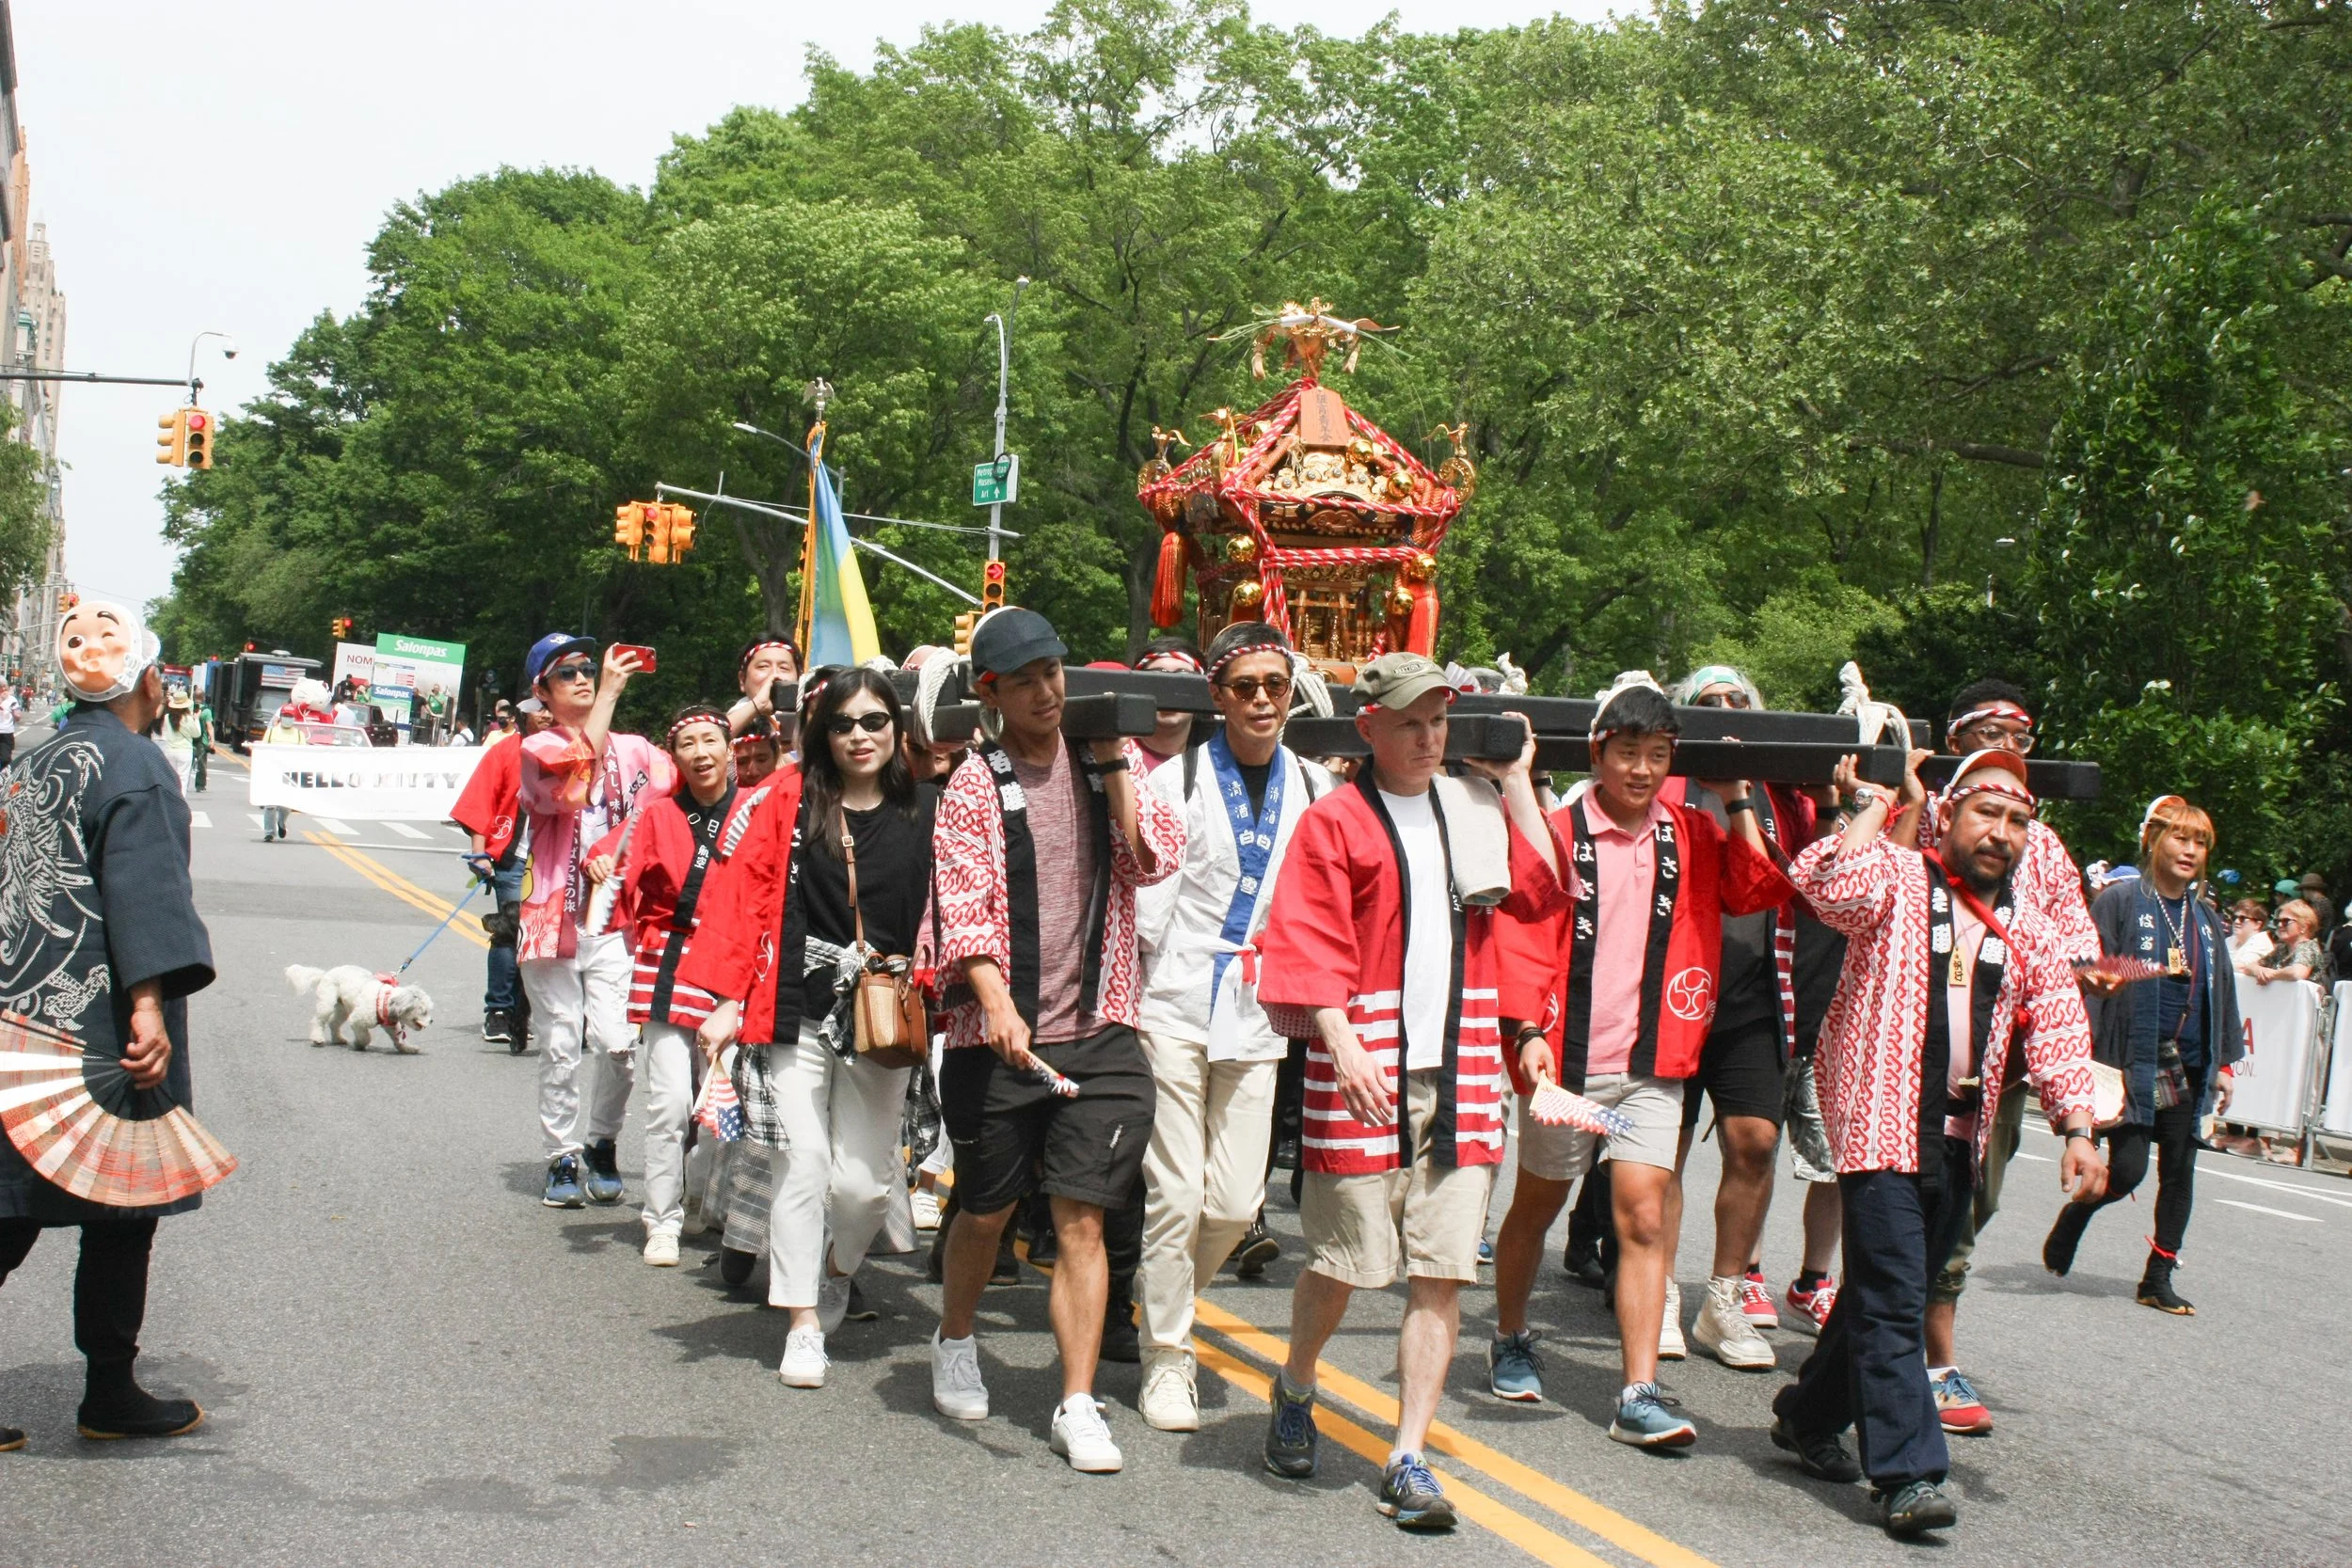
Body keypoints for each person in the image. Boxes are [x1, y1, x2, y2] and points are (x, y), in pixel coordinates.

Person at [1253, 650, 1565, 1531]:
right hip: (1365, 1056)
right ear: (1370, 727)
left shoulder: (1471, 806)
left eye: (1439, 722)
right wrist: (1339, 1038)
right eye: (1410, 721)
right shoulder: (1336, 821)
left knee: (1440, 1273)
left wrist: (1516, 783)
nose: (1429, 738)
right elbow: (1306, 935)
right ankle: (1297, 1384)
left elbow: (1541, 896)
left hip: (1462, 1061)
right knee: (1344, 1260)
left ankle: (1408, 1454)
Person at [1771, 748, 2106, 1540]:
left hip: (1957, 1134)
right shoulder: (1894, 876)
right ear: (1948, 817)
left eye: (2017, 820)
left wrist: (2080, 1129)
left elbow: (2059, 1031)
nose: (2001, 832)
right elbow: (1821, 884)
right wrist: (1875, 805)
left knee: (1884, 1298)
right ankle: (1909, 1473)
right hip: (1880, 1119)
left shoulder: (2030, 929)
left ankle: (1804, 1415)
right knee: (1893, 1301)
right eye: (1986, 813)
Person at [1485, 674, 1789, 1444]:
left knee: (1645, 1215)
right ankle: (1512, 1332)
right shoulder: (1556, 829)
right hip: (1567, 1061)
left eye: (1658, 754)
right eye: (1628, 752)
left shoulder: (1690, 832)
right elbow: (1518, 930)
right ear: (1598, 750)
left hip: (1654, 1061)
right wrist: (1525, 1034)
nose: (1643, 769)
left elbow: (1758, 890)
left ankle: (1638, 1390)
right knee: (1541, 1202)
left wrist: (1738, 797)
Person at [925, 608, 1184, 1473]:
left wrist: (1115, 770)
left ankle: (1078, 1400)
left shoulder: (1105, 761)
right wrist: (993, 996)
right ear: (991, 693)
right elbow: (961, 903)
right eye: (1026, 679)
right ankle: (955, 1334)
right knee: (989, 1209)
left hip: (1101, 1025)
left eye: (1054, 672)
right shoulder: (973, 781)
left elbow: (1152, 862)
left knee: (1082, 1219)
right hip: (997, 1031)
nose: (1047, 690)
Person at [0, 601, 216, 1447]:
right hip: (100, 1019)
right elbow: (144, 893)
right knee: (122, 1205)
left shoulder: (31, 757)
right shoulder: (135, 765)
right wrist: (150, 1006)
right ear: (150, 681)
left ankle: (111, 1390)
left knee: (11, 1199)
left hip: (19, 1007)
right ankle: (109, 1388)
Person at [686, 669, 934, 1389]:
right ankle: (800, 1321)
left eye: (874, 721)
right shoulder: (788, 802)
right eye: (844, 724)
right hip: (795, 1002)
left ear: (897, 728)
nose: (860, 735)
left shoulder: (926, 809)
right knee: (804, 1162)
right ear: (824, 735)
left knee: (863, 1187)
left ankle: (835, 1270)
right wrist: (730, 998)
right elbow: (743, 893)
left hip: (884, 1013)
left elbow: (948, 909)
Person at [1131, 622, 1332, 1432]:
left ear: (1290, 695)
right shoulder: (1172, 780)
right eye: (1244, 686)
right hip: (1174, 1000)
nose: (1260, 700)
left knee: (1234, 1201)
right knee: (1176, 1195)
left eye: (1274, 687)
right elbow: (1146, 910)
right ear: (1216, 695)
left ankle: (1157, 1295)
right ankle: (1168, 1356)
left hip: (1259, 1005)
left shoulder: (1317, 787)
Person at [1915, 678, 2102, 1439]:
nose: (2005, 748)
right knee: (1901, 1205)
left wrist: (2080, 1117)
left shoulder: (2043, 844)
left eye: (2019, 737)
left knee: (1968, 1203)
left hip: (1999, 1059)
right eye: (1987, 732)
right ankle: (1924, 1360)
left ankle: (1875, 1342)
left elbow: (2072, 950)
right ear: (1956, 743)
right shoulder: (1922, 817)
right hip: (1911, 1047)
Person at [1664, 666, 1818, 1369]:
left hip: (1755, 988)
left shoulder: (1784, 796)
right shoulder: (1663, 782)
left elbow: (1796, 877)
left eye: (1738, 703)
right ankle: (1656, 1287)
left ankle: (1723, 1296)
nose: (1725, 714)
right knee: (1657, 1154)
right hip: (1670, 987)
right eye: (1707, 704)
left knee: (1755, 1140)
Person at [2042, 796, 2242, 1313]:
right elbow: (2087, 968)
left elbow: (2222, 994)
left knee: (2180, 1169)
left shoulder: (2206, 919)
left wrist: (2222, 1062)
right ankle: (2078, 1215)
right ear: (2153, 839)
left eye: (2200, 842)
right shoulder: (2121, 900)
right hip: (2135, 1054)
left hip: (2189, 1056)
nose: (2190, 850)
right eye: (2180, 837)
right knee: (2128, 1170)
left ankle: (2158, 1275)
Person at [587, 705, 759, 1267]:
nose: (701, 753)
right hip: (668, 962)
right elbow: (611, 856)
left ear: (730, 749)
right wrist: (600, 865)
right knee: (669, 1103)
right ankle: (660, 1219)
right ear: (676, 757)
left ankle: (702, 1193)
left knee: (726, 1104)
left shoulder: (757, 810)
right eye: (689, 745)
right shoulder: (657, 814)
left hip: (736, 965)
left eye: (711, 741)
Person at [514, 634, 669, 1210]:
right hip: (552, 920)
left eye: (588, 669)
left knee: (618, 1044)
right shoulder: (537, 749)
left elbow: (703, 764)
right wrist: (607, 694)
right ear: (542, 693)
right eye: (567, 673)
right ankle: (561, 1155)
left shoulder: (636, 751)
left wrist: (753, 707)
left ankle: (602, 1142)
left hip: (614, 922)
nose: (582, 678)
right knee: (558, 1042)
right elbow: (572, 781)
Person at [452, 694, 535, 1048]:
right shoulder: (505, 753)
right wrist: (479, 854)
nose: (546, 718)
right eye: (539, 712)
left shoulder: (571, 751)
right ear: (523, 719)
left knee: (546, 943)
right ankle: (499, 1011)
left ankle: (528, 1012)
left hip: (555, 862)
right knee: (509, 933)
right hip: (515, 858)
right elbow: (479, 801)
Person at [257, 679, 334, 842]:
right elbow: (263, 750)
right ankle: (269, 832)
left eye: (290, 716)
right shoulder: (271, 733)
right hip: (273, 772)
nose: (287, 719)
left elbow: (303, 754)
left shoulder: (298, 734)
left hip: (290, 774)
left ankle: (281, 822)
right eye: (285, 716)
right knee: (270, 805)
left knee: (285, 805)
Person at [1134, 637, 1204, 772]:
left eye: (1184, 679)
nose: (1169, 690)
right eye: (1156, 678)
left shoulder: (1217, 760)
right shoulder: (1114, 750)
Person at [726, 636, 803, 745]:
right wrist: (758, 706)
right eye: (763, 667)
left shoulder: (809, 717)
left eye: (784, 668)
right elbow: (716, 737)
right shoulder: (734, 718)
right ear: (742, 680)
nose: (775, 675)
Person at [2250, 899, 2331, 988]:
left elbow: (2297, 973)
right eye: (2277, 921)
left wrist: (2271, 974)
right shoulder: (2282, 949)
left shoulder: (2308, 946)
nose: (2280, 925)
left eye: (2286, 921)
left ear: (2304, 926)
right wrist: (2259, 971)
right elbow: (2248, 967)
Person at [154, 691, 201, 795]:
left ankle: (171, 800)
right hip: (184, 751)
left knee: (172, 778)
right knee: (182, 780)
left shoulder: (167, 717)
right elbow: (196, 734)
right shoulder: (187, 719)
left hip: (170, 750)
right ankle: (181, 802)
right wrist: (196, 719)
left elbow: (165, 732)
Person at [2226, 898, 2274, 973]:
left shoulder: (2261, 942)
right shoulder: (2229, 940)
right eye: (2234, 917)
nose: (2236, 921)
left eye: (2242, 919)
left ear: (2257, 925)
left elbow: (2241, 967)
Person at [0, 677, 18, 767]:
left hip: (6, 732)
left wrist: (16, 714)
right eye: (1, 687)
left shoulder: (12, 700)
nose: (3, 689)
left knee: (5, 758)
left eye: (5, 687)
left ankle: (4, 777)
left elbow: (18, 716)